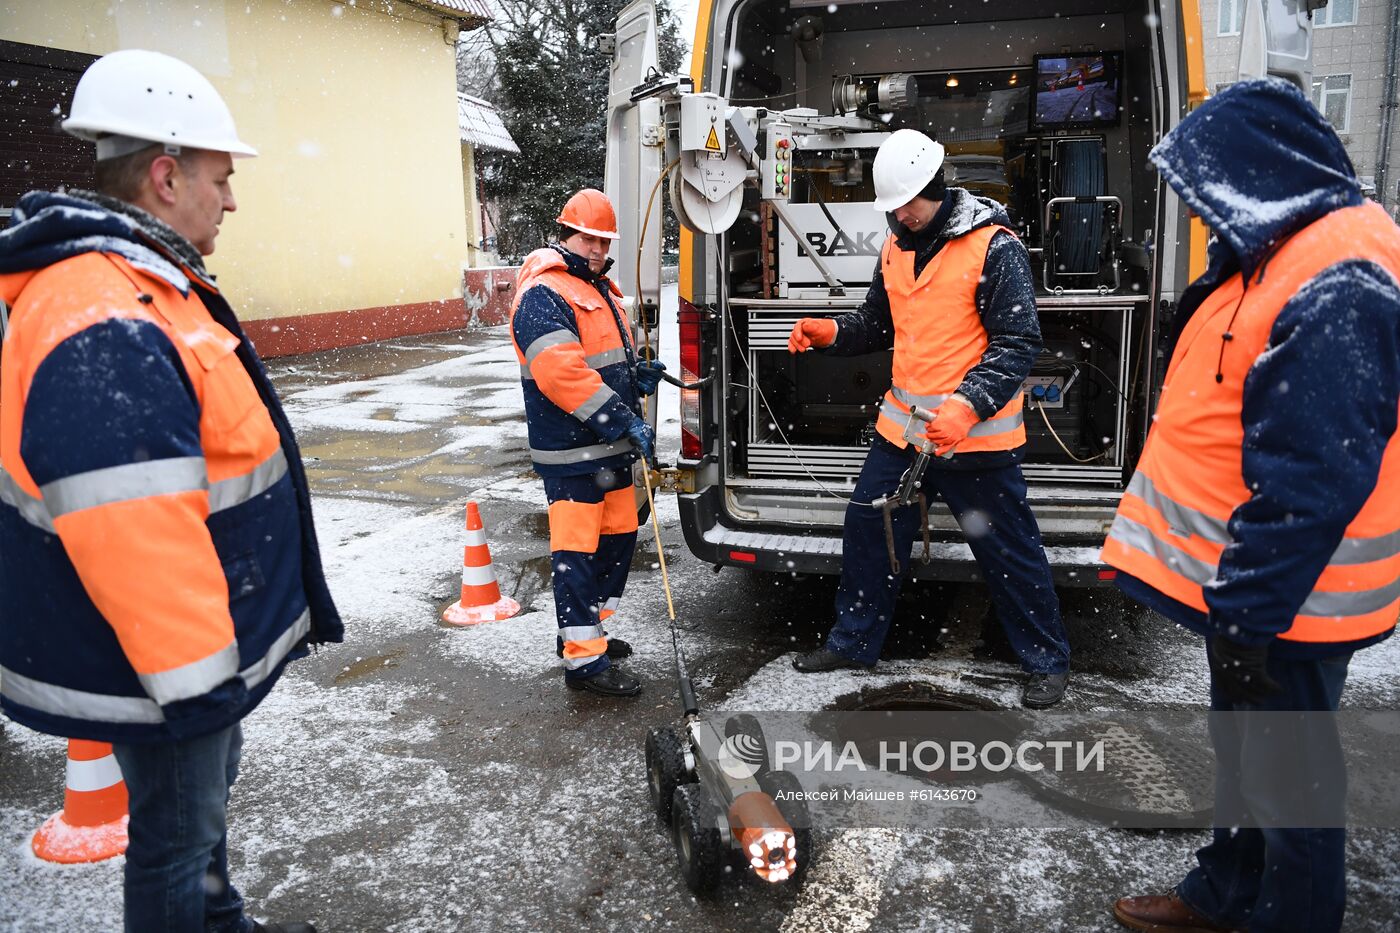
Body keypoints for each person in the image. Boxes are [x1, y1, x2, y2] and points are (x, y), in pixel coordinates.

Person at [0, 51, 341, 933]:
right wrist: (198, 690)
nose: (231, 199)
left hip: (171, 651)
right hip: (167, 662)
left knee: (193, 833)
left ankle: (214, 920)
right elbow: (132, 524)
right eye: (222, 178)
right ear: (165, 175)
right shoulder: (104, 311)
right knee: (177, 841)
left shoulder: (137, 285)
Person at [1103, 78, 1400, 933]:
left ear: (1258, 173)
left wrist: (1249, 616)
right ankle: (1225, 893)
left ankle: (1286, 915)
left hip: (1295, 601)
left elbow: (1315, 477)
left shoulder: (1342, 276)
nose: (1198, 213)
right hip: (1260, 592)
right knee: (1251, 763)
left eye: (1205, 191)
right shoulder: (1281, 248)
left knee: (1296, 790)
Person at [787, 128, 1072, 708]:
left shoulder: (995, 245)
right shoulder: (895, 244)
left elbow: (1017, 341)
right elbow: (878, 322)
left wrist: (966, 407)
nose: (899, 218)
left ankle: (1046, 661)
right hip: (902, 435)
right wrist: (831, 332)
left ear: (936, 188)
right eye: (891, 209)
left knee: (1008, 551)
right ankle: (852, 642)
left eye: (907, 206)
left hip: (975, 442)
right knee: (868, 532)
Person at [510, 188, 664, 698]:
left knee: (618, 540)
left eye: (603, 240)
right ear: (565, 235)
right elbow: (560, 373)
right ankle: (582, 663)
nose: (597, 248)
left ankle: (589, 634)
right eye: (588, 238)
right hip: (573, 454)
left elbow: (600, 361)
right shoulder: (544, 293)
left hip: (608, 450)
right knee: (578, 552)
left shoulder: (597, 288)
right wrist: (621, 416)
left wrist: (635, 375)